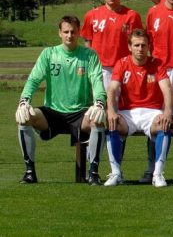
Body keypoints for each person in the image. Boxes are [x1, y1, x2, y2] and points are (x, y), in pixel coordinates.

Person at [15, 16, 107, 184]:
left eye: (73, 32)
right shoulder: (49, 54)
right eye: (66, 32)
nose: (69, 35)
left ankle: (93, 173)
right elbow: (34, 79)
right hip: (53, 112)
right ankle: (29, 172)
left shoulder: (89, 55)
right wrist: (24, 101)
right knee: (24, 117)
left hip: (80, 112)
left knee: (98, 120)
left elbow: (97, 82)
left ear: (79, 33)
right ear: (59, 33)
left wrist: (100, 102)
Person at [104, 29, 173, 187]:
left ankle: (158, 173)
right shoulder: (122, 63)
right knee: (112, 123)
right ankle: (116, 172)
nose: (140, 48)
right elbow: (112, 88)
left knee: (164, 124)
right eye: (136, 45)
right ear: (129, 47)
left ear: (149, 46)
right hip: (128, 113)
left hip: (152, 112)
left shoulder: (157, 64)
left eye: (143, 45)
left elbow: (167, 88)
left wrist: (168, 112)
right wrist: (111, 111)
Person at [82, 0, 143, 87]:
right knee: (101, 102)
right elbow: (87, 42)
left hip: (125, 67)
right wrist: (89, 64)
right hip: (100, 68)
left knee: (124, 103)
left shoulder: (132, 16)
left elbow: (138, 43)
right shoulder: (91, 15)